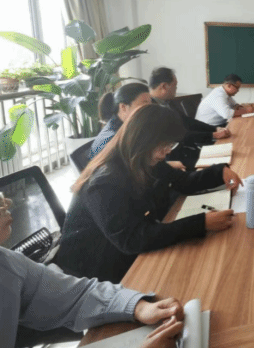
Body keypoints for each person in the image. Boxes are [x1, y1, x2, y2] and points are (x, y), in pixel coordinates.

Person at [54, 104, 242, 284]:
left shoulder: (141, 159)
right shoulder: (105, 182)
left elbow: (183, 181)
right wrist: (201, 223)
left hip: (125, 247)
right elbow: (132, 240)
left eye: (170, 145)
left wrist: (218, 172)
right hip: (95, 268)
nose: (167, 152)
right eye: (163, 145)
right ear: (143, 141)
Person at [0, 194, 185, 348]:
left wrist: (137, 307)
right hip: (86, 264)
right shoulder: (104, 182)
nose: (7, 202)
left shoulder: (7, 262)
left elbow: (76, 296)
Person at [150, 67, 230, 169]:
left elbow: (187, 121)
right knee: (223, 164)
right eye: (175, 86)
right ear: (164, 86)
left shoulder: (167, 103)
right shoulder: (152, 111)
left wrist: (214, 129)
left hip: (186, 149)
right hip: (174, 157)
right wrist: (213, 134)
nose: (176, 89)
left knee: (228, 154)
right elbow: (180, 135)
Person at [89, 82, 152, 160]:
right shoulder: (114, 140)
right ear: (123, 107)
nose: (151, 109)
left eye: (150, 104)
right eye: (145, 104)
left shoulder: (127, 127)